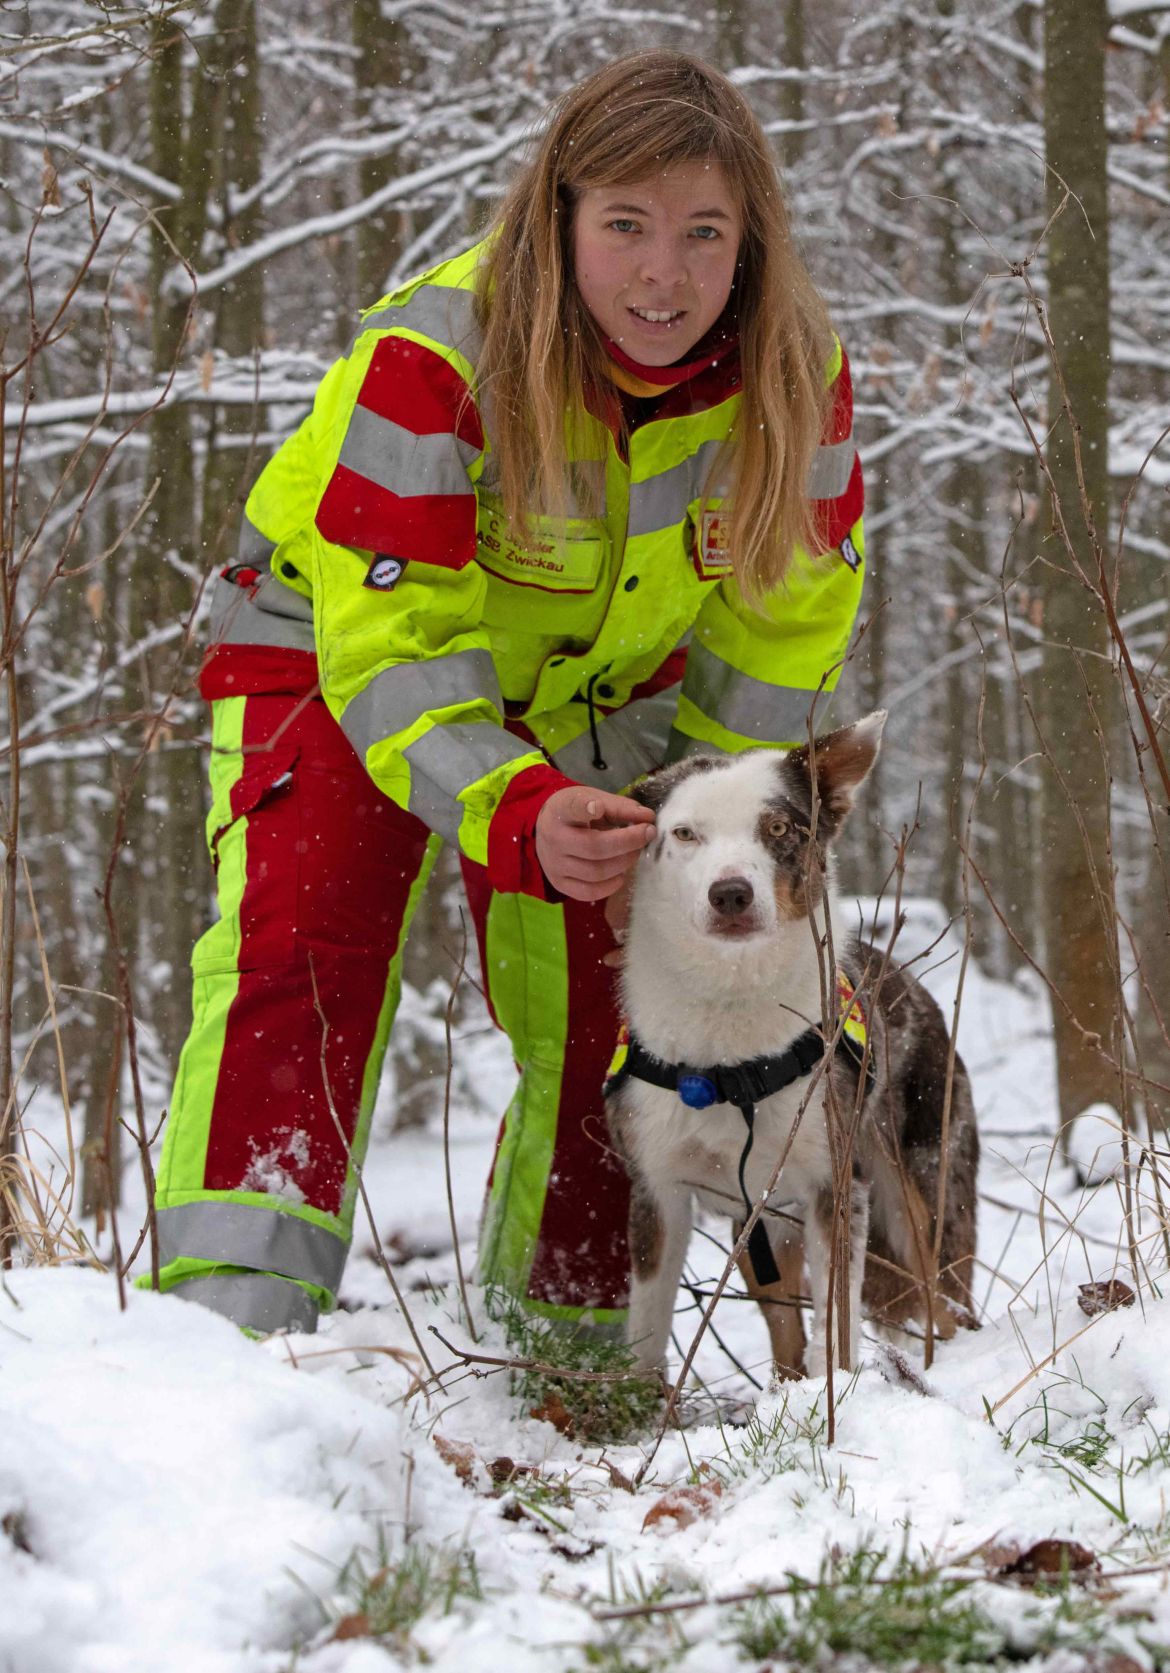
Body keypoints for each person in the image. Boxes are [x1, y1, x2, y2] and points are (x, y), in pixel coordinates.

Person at [150, 49, 866, 1337]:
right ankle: (227, 1335)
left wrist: (698, 824)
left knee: (620, 992)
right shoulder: (439, 355)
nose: (665, 274)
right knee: (303, 950)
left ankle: (569, 1341)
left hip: (602, 702)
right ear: (560, 217)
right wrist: (510, 803)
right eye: (627, 226)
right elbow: (394, 633)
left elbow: (784, 629)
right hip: (331, 653)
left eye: (707, 233)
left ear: (753, 245)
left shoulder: (796, 377)